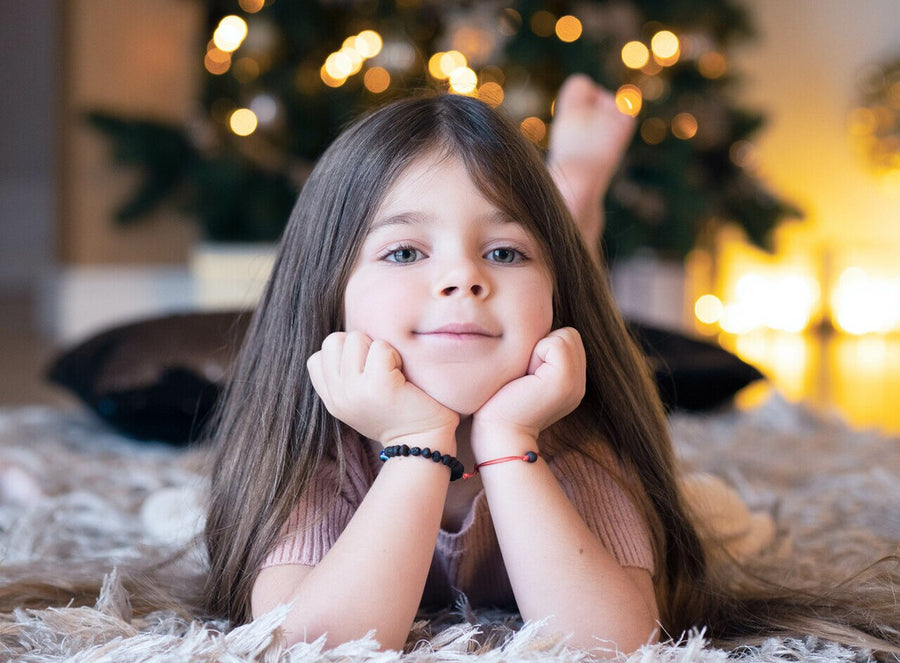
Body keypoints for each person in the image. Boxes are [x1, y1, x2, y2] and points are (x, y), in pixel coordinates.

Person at [203, 76, 899, 656]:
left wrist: (509, 442)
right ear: (324, 291)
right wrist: (415, 445)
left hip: (565, 434)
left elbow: (613, 642)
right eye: (405, 251)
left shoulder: (579, 448)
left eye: (504, 252)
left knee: (717, 513)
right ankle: (574, 194)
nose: (461, 279)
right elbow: (305, 645)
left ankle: (575, 202)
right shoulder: (314, 460)